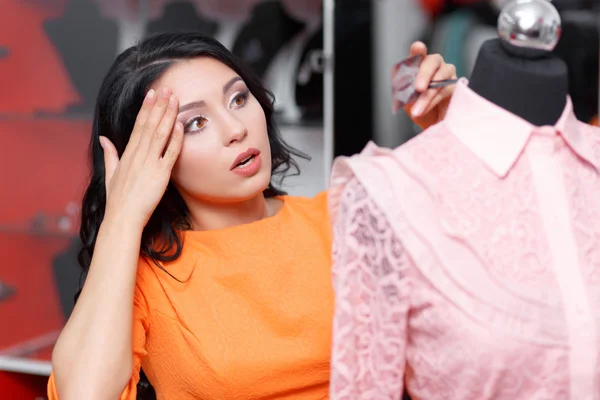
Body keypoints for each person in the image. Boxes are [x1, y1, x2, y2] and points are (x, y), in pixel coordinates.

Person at [48, 31, 457, 399]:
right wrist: (122, 216)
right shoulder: (145, 276)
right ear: (148, 158)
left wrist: (449, 134)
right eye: (196, 123)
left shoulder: (340, 218)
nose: (235, 128)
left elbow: (477, 298)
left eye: (238, 98)